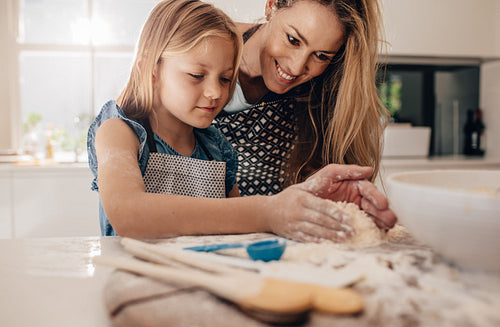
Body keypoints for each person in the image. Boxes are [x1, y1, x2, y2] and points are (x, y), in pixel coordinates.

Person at [87, 0, 396, 241]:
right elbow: (128, 214)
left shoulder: (216, 146)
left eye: (225, 79)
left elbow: (238, 230)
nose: (214, 94)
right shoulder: (122, 130)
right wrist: (268, 211)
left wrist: (315, 203)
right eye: (292, 39)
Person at [215, 0, 390, 201]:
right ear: (271, 6)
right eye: (293, 40)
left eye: (321, 55)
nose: (297, 68)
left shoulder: (322, 97)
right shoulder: (198, 44)